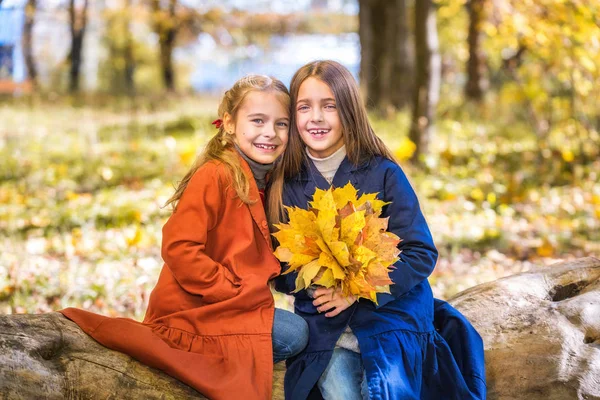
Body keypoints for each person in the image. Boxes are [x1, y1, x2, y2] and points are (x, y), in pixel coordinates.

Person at [60, 74, 308, 400]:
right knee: (294, 333)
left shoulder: (270, 183)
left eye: (281, 124)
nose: (270, 133)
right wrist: (230, 289)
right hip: (195, 310)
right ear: (230, 123)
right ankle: (214, 360)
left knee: (304, 331)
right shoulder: (216, 175)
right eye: (257, 120)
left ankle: (240, 355)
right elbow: (179, 248)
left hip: (236, 305)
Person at [268, 60, 486, 400]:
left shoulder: (382, 172)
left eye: (330, 106)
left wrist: (355, 289)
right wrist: (313, 282)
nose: (317, 118)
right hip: (328, 326)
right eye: (304, 107)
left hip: (388, 312)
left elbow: (421, 252)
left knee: (385, 388)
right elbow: (280, 270)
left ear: (350, 111)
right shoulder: (287, 183)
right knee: (338, 389)